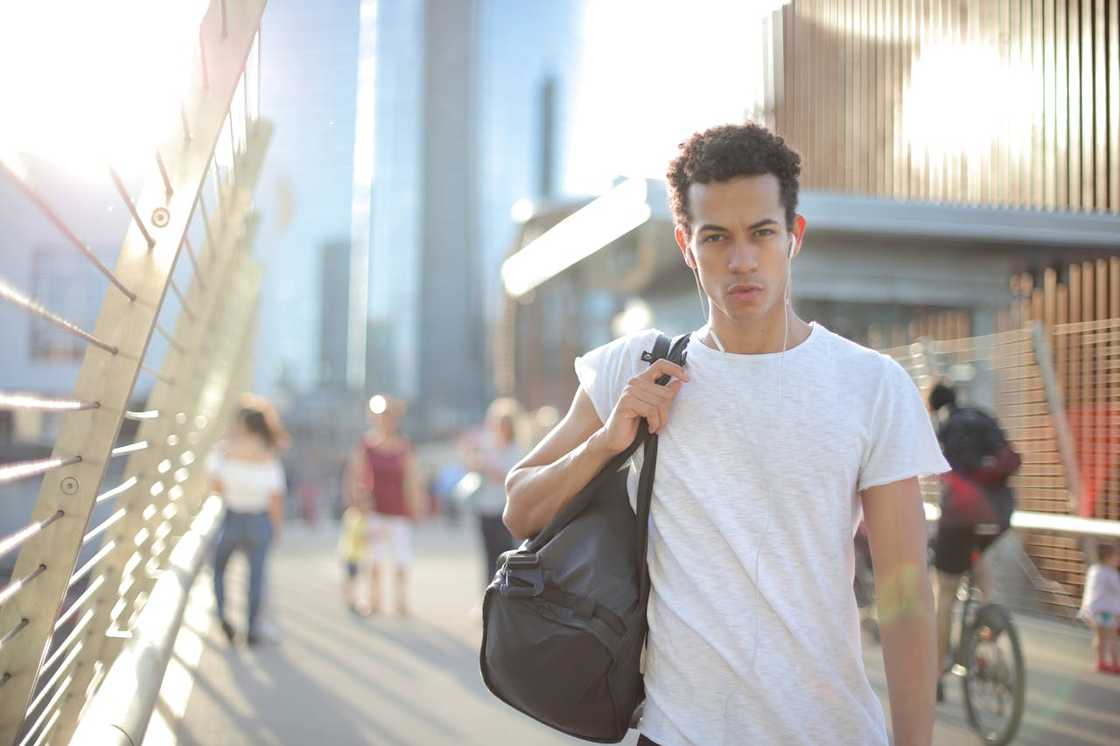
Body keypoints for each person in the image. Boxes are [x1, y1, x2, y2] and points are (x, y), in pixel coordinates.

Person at [503, 123, 949, 746]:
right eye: (716, 238)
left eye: (761, 233)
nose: (741, 260)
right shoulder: (633, 367)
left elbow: (906, 601)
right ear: (687, 245)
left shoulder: (870, 385)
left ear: (793, 236)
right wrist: (607, 440)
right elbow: (520, 507)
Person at [927, 381, 1020, 698]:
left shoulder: (945, 426)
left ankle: (937, 673)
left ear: (934, 405)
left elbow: (939, 472)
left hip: (960, 518)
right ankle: (992, 614)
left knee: (946, 593)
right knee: (978, 556)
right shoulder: (982, 416)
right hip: (999, 514)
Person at [209, 396, 288, 646]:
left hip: (232, 516)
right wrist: (276, 528)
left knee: (219, 569)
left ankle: (224, 615)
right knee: (256, 577)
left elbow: (216, 486)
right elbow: (276, 498)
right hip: (259, 520)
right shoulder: (269, 458)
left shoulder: (224, 453)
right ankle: (252, 627)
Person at [348, 395, 426, 616]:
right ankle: (374, 600)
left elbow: (412, 479)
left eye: (390, 416)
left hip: (398, 510)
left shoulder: (404, 447)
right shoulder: (366, 445)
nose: (385, 421)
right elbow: (356, 475)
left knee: (401, 558)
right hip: (374, 510)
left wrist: (416, 507)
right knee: (374, 559)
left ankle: (401, 601)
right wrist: (357, 502)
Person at [462, 398, 526, 587]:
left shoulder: (516, 450)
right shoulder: (486, 446)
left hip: (505, 510)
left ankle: (504, 594)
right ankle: (487, 594)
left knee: (505, 555)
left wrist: (487, 467)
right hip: (484, 507)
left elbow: (510, 477)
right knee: (487, 556)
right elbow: (471, 465)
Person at [1079, 542, 1120, 674]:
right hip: (1108, 611)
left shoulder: (1094, 570)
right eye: (1117, 556)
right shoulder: (1111, 573)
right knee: (1112, 638)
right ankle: (1114, 664)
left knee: (1099, 637)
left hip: (1094, 610)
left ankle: (1100, 662)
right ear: (1108, 557)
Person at [338, 502, 370, 614]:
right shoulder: (357, 518)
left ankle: (350, 599)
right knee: (353, 579)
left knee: (351, 579)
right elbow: (362, 537)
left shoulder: (351, 515)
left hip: (348, 554)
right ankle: (351, 600)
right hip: (352, 555)